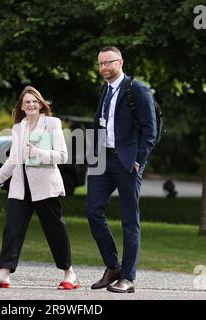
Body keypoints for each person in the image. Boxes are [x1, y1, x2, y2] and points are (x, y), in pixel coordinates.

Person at [0, 86, 79, 290]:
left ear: (41, 104)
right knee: (13, 228)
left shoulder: (52, 123)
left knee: (55, 230)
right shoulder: (18, 127)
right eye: (27, 102)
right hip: (20, 185)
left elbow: (62, 156)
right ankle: (4, 274)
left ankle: (69, 274)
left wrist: (37, 152)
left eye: (35, 101)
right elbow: (13, 159)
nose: (31, 104)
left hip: (45, 186)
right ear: (22, 107)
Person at [86, 46, 157, 293]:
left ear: (121, 62)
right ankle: (112, 266)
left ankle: (127, 277)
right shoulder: (104, 90)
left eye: (109, 62)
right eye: (101, 64)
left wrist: (140, 161)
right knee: (93, 210)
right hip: (102, 161)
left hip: (127, 162)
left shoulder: (136, 89)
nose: (104, 67)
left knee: (129, 220)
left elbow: (150, 130)